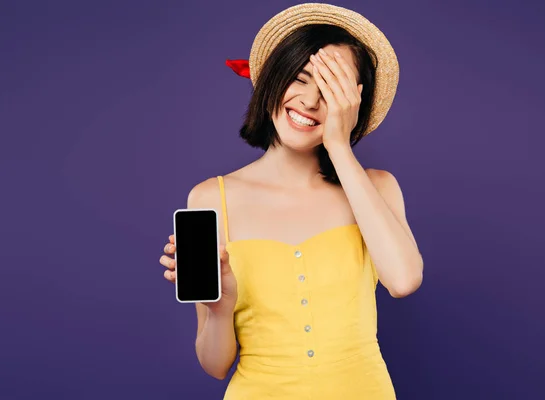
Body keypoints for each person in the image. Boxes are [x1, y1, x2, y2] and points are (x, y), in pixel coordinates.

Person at [159, 3, 423, 399]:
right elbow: (215, 365)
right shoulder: (211, 198)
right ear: (273, 78)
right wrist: (219, 306)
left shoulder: (376, 187)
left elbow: (403, 281)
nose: (310, 101)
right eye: (300, 78)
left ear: (353, 104)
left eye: (331, 91)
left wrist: (339, 145)